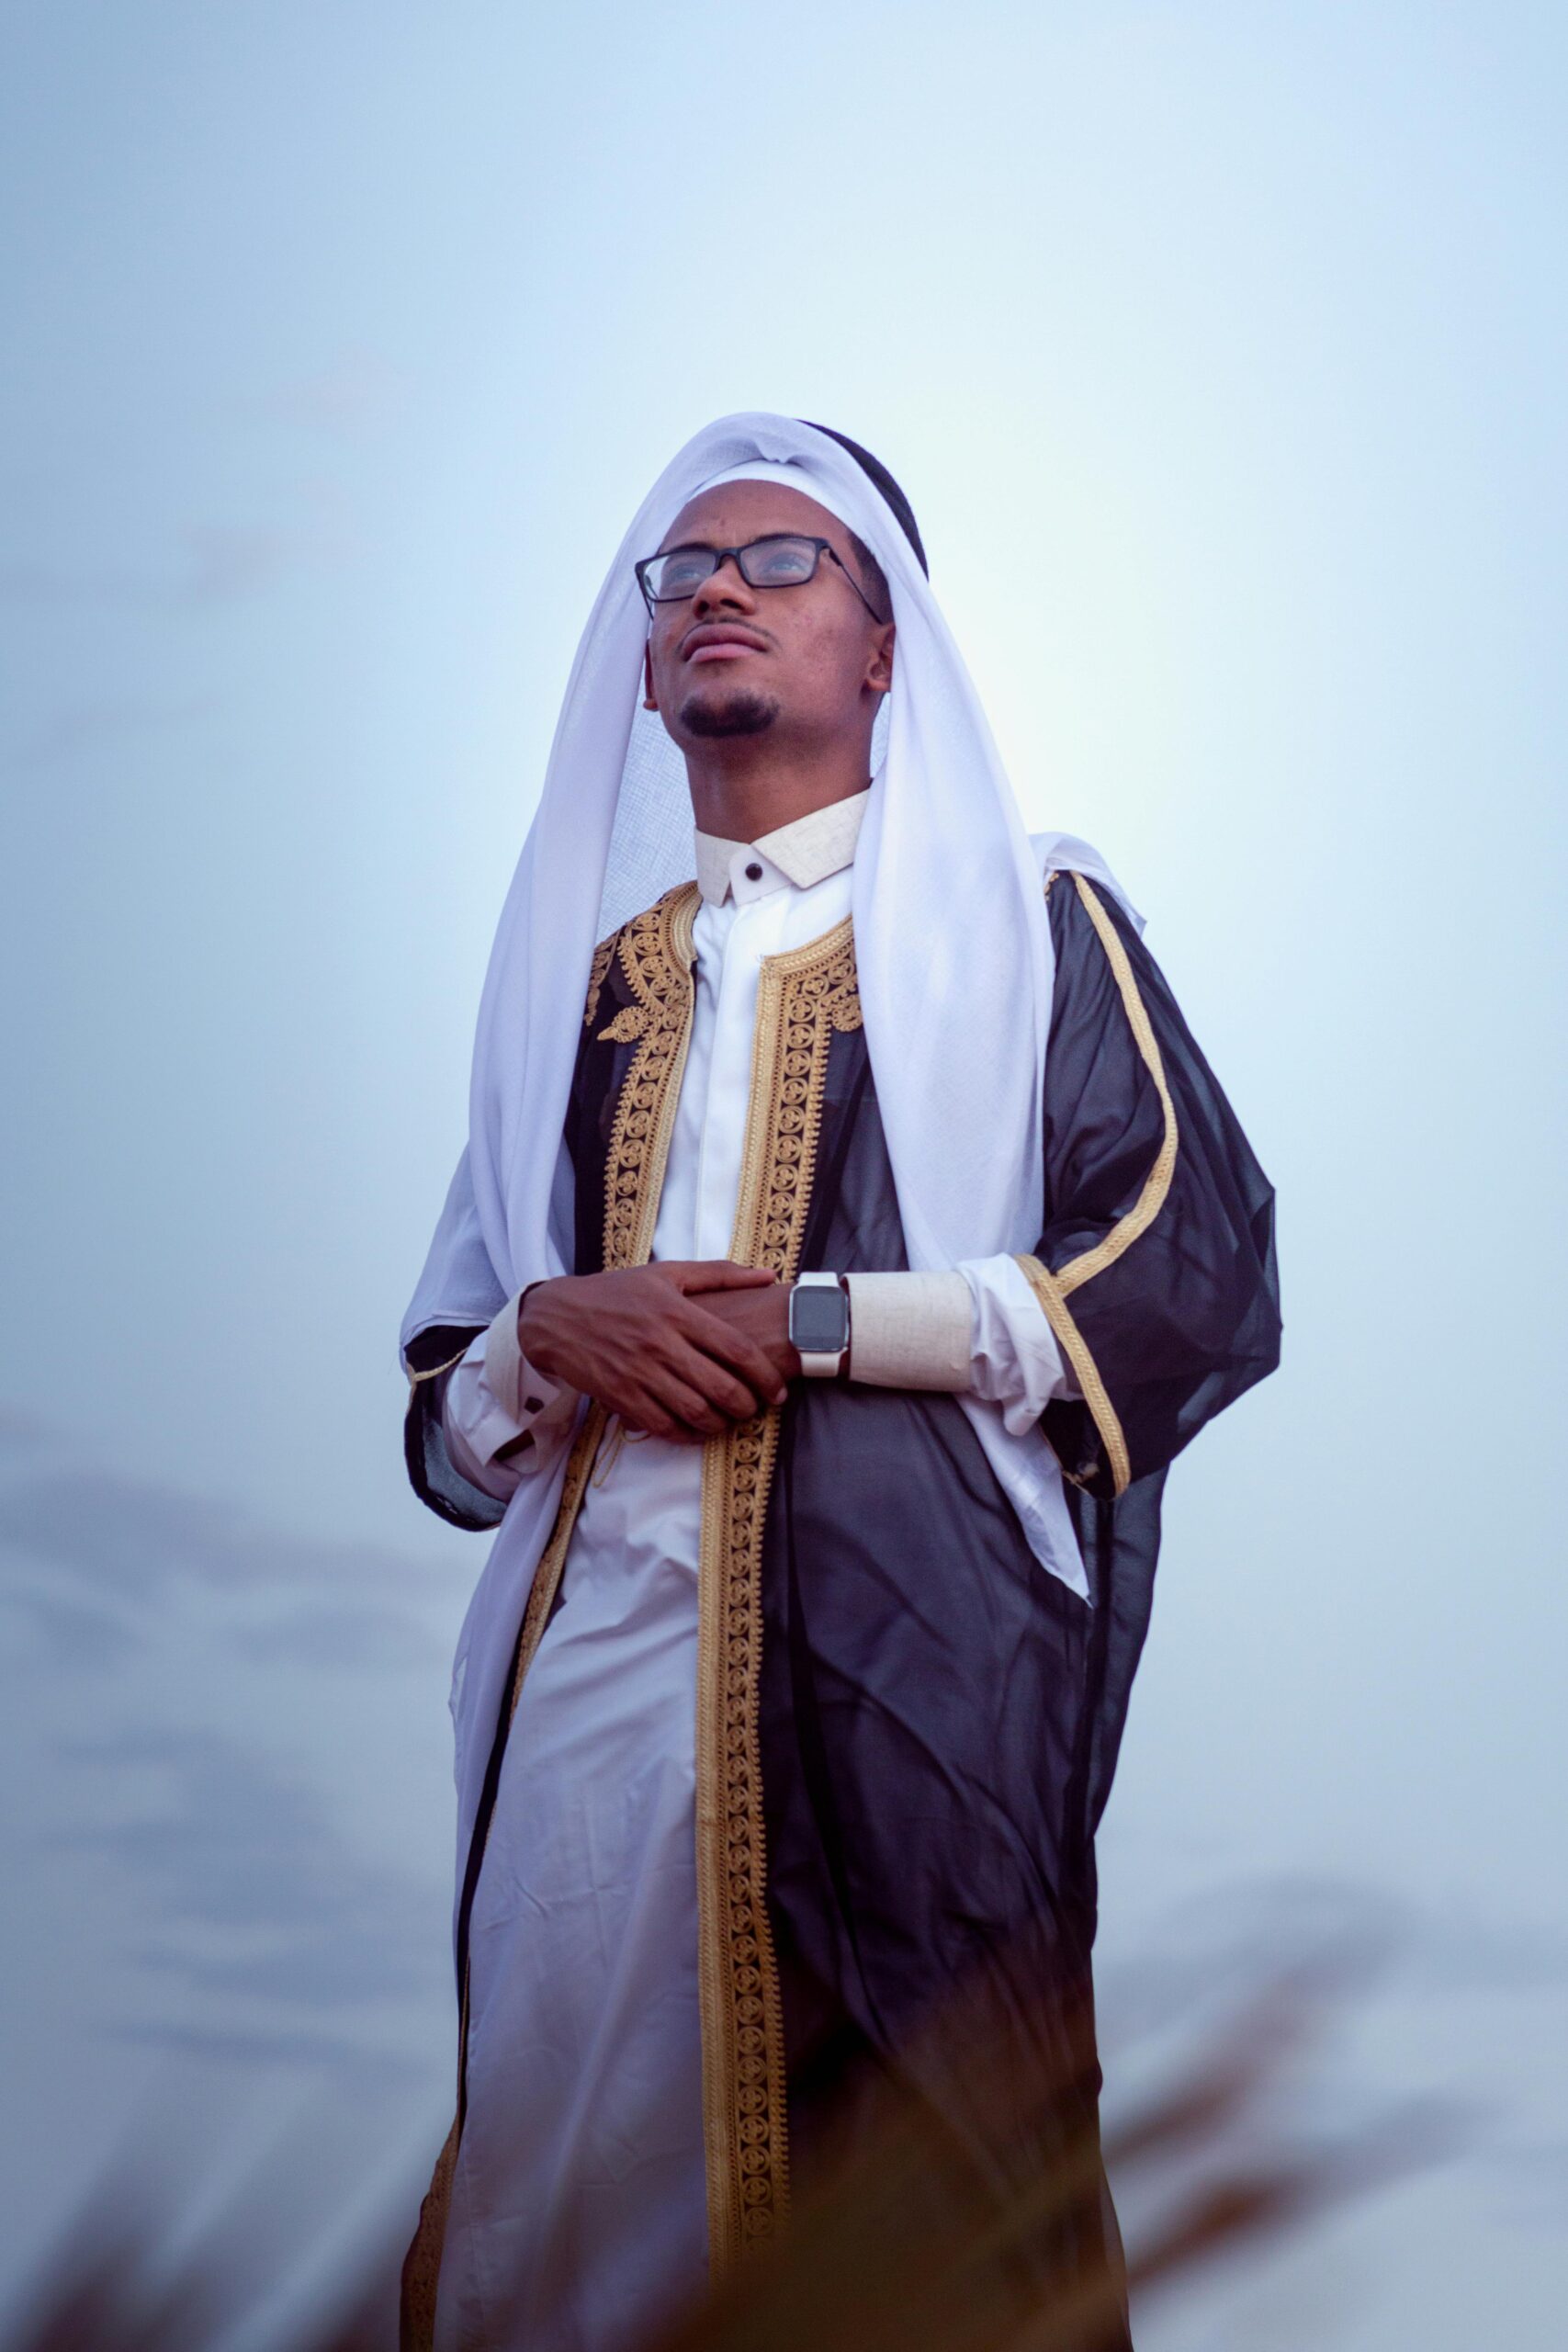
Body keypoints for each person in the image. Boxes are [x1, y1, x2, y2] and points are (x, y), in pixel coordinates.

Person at [398, 415, 1280, 2352]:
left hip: (904, 1701)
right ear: (645, 668)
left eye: (782, 559)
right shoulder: (580, 992)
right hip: (581, 1743)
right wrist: (553, 1332)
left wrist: (811, 1325)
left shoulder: (1021, 928)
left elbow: (1184, 1265)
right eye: (684, 570)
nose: (718, 587)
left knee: (918, 2216)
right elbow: (448, 1409)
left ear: (887, 648)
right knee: (567, 2224)